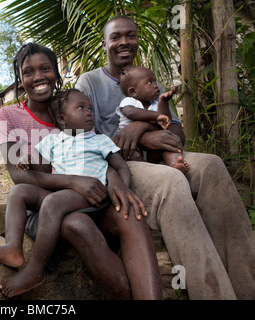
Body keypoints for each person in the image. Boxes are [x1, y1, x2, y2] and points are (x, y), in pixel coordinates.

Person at [75, 15, 255, 300]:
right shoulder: (90, 83)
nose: (124, 42)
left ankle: (248, 287)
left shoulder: (148, 76)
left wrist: (141, 127)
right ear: (104, 43)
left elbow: (176, 135)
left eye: (130, 35)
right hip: (120, 165)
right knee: (171, 181)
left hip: (161, 155)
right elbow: (83, 140)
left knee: (212, 165)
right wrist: (142, 135)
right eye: (116, 37)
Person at [0, 43, 162, 300]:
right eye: (28, 72)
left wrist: (114, 180)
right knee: (77, 223)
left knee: (130, 214)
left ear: (56, 71)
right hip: (46, 204)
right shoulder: (8, 115)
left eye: (45, 68)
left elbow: (96, 152)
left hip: (91, 196)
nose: (39, 77)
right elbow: (19, 176)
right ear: (19, 79)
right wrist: (75, 182)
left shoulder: (73, 106)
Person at [116, 65, 190, 173]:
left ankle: (175, 163)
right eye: (149, 82)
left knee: (167, 148)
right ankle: (146, 172)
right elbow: (130, 113)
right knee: (134, 156)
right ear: (133, 92)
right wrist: (155, 116)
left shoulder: (154, 104)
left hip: (153, 148)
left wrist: (163, 102)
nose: (156, 86)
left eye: (155, 81)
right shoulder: (130, 102)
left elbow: (165, 121)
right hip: (133, 145)